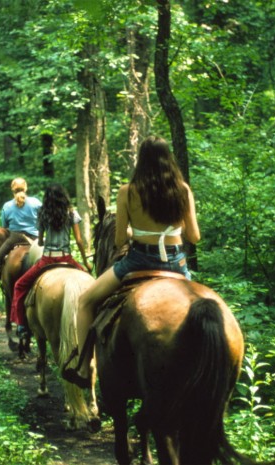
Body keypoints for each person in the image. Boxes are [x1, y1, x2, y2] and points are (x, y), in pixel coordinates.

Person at [62, 136, 200, 388]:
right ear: (169, 158)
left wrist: (136, 233)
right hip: (177, 265)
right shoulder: (183, 190)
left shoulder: (128, 191)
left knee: (85, 302)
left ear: (141, 160)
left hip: (138, 261)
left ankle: (83, 367)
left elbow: (118, 240)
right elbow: (194, 236)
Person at [10, 183, 92, 336]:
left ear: (47, 199)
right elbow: (79, 240)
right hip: (67, 258)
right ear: (64, 197)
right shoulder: (72, 213)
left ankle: (21, 325)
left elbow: (40, 241)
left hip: (47, 260)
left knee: (19, 286)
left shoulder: (43, 213)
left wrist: (43, 240)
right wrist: (86, 261)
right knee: (92, 284)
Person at [0, 177, 42, 297]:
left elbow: (4, 226)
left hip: (15, 238)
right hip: (35, 240)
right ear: (26, 188)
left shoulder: (7, 206)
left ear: (12, 189)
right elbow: (43, 220)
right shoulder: (36, 202)